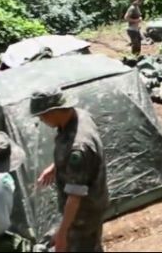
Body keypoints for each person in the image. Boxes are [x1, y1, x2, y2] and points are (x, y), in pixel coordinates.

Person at [34, 89, 109, 252]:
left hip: (83, 213)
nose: (41, 119)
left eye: (43, 115)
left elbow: (75, 196)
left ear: (54, 111)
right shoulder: (80, 115)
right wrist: (56, 166)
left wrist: (62, 233)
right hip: (94, 200)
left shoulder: (78, 147)